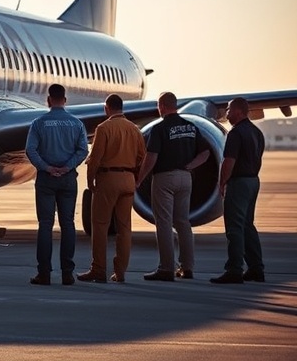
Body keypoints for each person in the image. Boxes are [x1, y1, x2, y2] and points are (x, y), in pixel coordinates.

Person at [136, 92, 210, 282]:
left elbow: (151, 158)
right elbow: (206, 153)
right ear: (175, 105)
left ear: (161, 106)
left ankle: (166, 268)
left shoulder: (160, 128)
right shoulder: (191, 127)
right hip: (186, 178)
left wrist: (139, 178)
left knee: (164, 223)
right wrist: (191, 166)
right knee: (183, 222)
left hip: (164, 178)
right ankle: (188, 267)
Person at [25, 83, 89, 286]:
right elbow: (82, 150)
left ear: (49, 100)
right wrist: (67, 167)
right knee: (68, 225)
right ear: (65, 100)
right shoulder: (76, 123)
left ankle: (44, 273)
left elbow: (30, 150)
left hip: (46, 179)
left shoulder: (38, 123)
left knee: (45, 225)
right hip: (68, 179)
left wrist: (47, 167)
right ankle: (67, 274)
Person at [77, 94, 145, 284]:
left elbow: (96, 158)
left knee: (100, 226)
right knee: (124, 229)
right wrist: (136, 176)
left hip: (108, 179)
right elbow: (142, 156)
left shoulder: (104, 128)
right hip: (128, 179)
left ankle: (98, 269)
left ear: (107, 108)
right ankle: (120, 272)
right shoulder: (134, 129)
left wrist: (90, 181)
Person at [210, 97, 266, 284]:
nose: (226, 113)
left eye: (228, 109)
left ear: (238, 111)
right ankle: (256, 268)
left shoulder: (235, 134)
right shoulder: (256, 132)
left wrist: (222, 182)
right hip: (253, 181)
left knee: (234, 228)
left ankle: (234, 270)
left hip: (239, 183)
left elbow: (229, 161)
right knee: (248, 225)